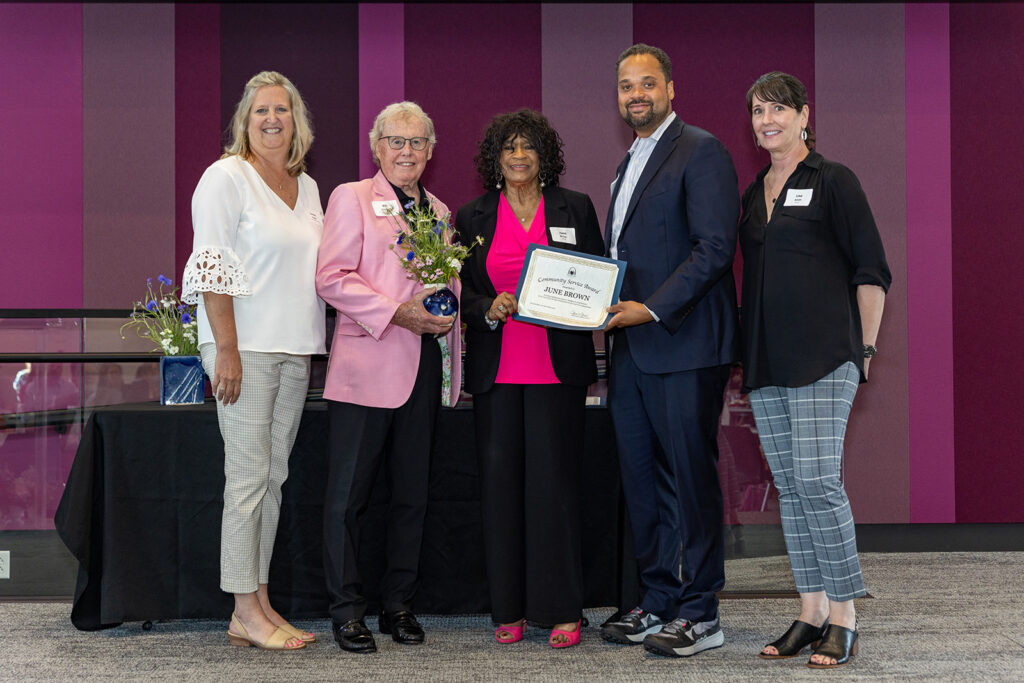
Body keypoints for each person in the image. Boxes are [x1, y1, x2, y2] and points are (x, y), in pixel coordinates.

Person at [740, 71, 890, 669]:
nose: (766, 119)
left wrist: (866, 352)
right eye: (757, 111)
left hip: (826, 357)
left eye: (778, 108)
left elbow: (871, 271)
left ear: (805, 115)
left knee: (819, 482)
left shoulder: (834, 181)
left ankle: (846, 615)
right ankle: (811, 610)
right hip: (768, 362)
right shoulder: (754, 193)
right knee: (794, 491)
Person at [599, 44, 740, 658]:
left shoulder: (701, 150)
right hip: (630, 350)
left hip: (682, 343)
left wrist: (650, 308)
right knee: (642, 481)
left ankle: (701, 609)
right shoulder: (630, 160)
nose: (637, 94)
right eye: (626, 85)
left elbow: (713, 249)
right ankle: (658, 599)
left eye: (647, 83)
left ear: (671, 89)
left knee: (689, 480)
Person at [182, 71, 325, 651]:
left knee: (274, 478)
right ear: (246, 119)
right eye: (262, 110)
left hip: (296, 348)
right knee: (246, 480)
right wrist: (229, 351)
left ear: (298, 122)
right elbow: (211, 265)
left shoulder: (308, 186)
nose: (272, 119)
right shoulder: (226, 177)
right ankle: (243, 607)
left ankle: (258, 602)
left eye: (282, 111)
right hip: (243, 347)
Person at [455, 109, 604, 649]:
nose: (518, 157)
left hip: (556, 370)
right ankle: (509, 608)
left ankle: (563, 609)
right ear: (494, 159)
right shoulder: (471, 216)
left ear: (545, 156)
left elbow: (597, 277)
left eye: (528, 147)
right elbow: (461, 294)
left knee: (555, 489)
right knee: (500, 492)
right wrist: (486, 306)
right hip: (499, 372)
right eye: (508, 148)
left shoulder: (575, 208)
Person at [316, 102, 461, 654]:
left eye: (417, 142)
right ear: (377, 148)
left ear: (430, 150)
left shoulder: (441, 211)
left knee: (411, 496)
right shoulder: (350, 197)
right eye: (395, 141)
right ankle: (347, 609)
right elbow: (330, 278)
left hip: (423, 366)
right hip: (366, 364)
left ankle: (398, 604)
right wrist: (397, 312)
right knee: (347, 499)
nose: (406, 151)